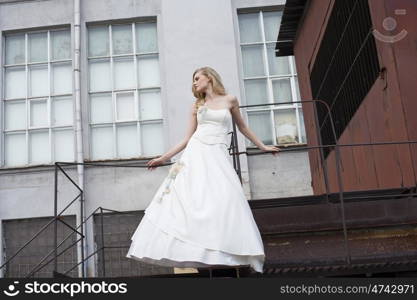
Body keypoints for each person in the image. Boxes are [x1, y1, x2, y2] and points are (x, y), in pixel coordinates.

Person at [126, 66, 280, 275]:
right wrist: (163, 158)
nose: (195, 82)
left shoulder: (230, 100)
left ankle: (224, 247)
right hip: (196, 152)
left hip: (218, 153)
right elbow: (187, 138)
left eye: (197, 78)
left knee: (224, 198)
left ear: (209, 77)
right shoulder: (197, 105)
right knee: (193, 198)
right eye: (193, 80)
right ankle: (196, 246)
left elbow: (243, 127)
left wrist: (263, 146)